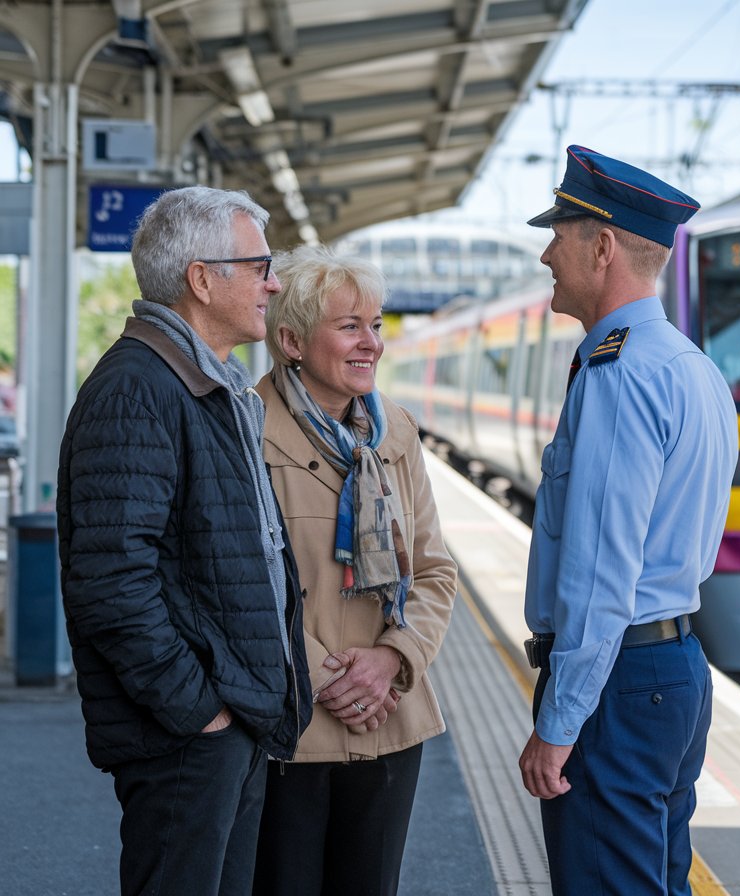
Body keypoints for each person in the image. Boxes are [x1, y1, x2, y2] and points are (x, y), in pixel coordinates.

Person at [57, 186, 312, 896]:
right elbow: (110, 581)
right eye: (259, 264)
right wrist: (199, 711)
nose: (275, 282)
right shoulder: (139, 390)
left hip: (228, 724)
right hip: (187, 736)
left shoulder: (206, 384)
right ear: (202, 279)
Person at [517, 145, 739, 895]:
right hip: (674, 672)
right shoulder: (692, 368)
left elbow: (601, 570)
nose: (548, 253)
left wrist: (560, 718)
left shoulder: (619, 373)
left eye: (561, 233)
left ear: (603, 246)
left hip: (618, 683)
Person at [250, 245, 458, 896]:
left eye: (375, 324)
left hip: (391, 718)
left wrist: (392, 658)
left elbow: (434, 571)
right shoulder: (243, 428)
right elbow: (246, 583)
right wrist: (326, 677)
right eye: (349, 326)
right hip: (290, 728)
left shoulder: (395, 430)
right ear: (291, 340)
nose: (372, 342)